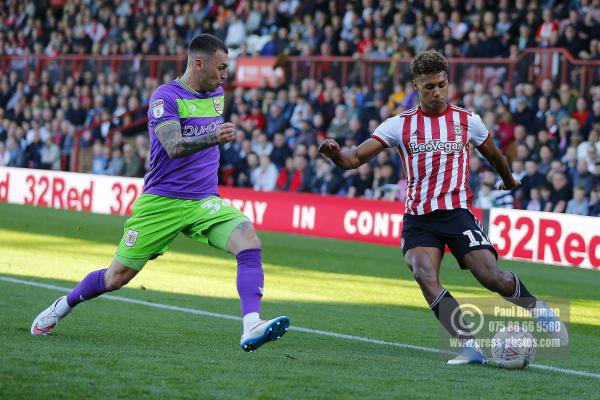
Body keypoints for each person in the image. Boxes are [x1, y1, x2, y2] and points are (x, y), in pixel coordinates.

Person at [31, 34, 289, 352]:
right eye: (221, 67)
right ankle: (63, 306)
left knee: (249, 241)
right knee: (116, 278)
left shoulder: (218, 94)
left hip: (204, 200)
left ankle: (252, 325)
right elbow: (173, 146)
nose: (225, 75)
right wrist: (214, 137)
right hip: (162, 201)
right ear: (199, 63)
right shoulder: (164, 97)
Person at [319, 50, 568, 365]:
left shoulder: (467, 121)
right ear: (416, 86)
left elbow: (493, 154)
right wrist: (335, 155)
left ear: (448, 83)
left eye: (441, 85)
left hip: (457, 213)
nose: (436, 92)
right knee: (424, 273)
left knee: (493, 278)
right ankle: (470, 347)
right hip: (419, 219)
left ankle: (540, 311)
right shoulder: (399, 125)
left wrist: (508, 180)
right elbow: (353, 159)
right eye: (428, 87)